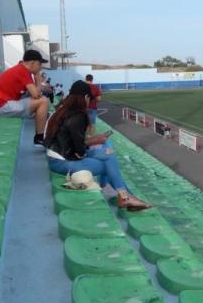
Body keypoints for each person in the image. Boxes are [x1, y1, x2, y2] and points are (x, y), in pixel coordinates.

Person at [44, 80, 151, 211]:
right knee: (107, 161)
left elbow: (69, 141)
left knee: (107, 149)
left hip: (57, 158)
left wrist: (93, 141)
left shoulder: (60, 111)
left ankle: (113, 190)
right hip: (63, 162)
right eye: (90, 98)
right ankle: (123, 196)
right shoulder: (78, 116)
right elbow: (80, 153)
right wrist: (92, 142)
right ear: (85, 97)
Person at [0, 49, 49, 147]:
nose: (41, 68)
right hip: (5, 107)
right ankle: (39, 138)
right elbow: (36, 94)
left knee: (43, 107)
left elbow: (31, 95)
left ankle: (41, 131)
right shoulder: (22, 71)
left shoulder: (21, 70)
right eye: (39, 64)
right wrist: (38, 79)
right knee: (43, 101)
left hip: (5, 105)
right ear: (32, 63)